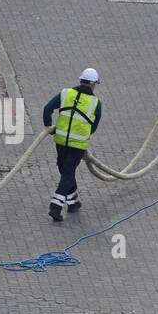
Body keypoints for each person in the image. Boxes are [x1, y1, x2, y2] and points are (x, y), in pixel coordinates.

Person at [42, 69, 102, 222]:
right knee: (68, 173)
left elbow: (47, 109)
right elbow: (94, 127)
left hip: (61, 141)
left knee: (64, 169)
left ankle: (73, 202)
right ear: (93, 84)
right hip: (78, 145)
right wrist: (84, 133)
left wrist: (49, 126)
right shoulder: (95, 103)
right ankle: (55, 206)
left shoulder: (65, 93)